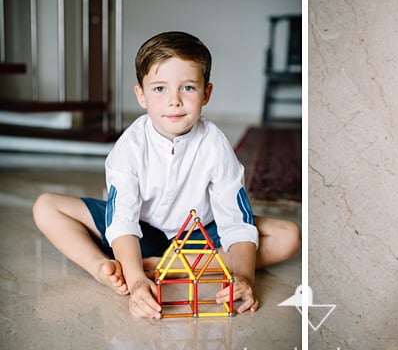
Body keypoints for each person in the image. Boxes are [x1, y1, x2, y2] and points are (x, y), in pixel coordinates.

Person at [32, 31, 300, 318]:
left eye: (188, 88)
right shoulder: (130, 146)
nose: (174, 100)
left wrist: (245, 278)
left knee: (288, 235)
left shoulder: (215, 144)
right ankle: (102, 266)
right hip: (142, 231)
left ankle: (164, 266)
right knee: (46, 206)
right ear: (141, 95)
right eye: (160, 89)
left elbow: (236, 219)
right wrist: (135, 282)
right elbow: (122, 220)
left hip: (199, 234)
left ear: (206, 93)